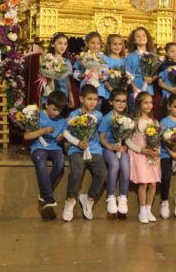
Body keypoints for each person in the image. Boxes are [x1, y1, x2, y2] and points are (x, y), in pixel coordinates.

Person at [62, 85, 106, 221]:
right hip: (76, 149)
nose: (93, 102)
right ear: (81, 99)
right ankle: (70, 201)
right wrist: (77, 143)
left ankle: (89, 199)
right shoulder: (74, 115)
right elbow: (65, 132)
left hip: (94, 149)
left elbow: (100, 133)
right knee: (77, 171)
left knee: (102, 173)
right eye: (89, 99)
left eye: (95, 99)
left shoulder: (98, 115)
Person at [23, 91, 68, 219]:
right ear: (46, 104)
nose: (56, 113)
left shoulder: (62, 120)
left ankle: (44, 194)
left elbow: (64, 139)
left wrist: (62, 138)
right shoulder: (36, 115)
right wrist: (43, 130)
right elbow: (27, 136)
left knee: (60, 163)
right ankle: (48, 197)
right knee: (41, 162)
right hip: (38, 147)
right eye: (54, 109)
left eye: (59, 111)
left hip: (55, 148)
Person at [127, 92, 161, 223]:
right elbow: (128, 141)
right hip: (140, 155)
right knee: (144, 183)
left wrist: (156, 150)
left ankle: (148, 209)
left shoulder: (155, 122)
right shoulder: (134, 122)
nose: (149, 105)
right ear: (139, 104)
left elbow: (157, 140)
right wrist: (141, 150)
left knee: (153, 184)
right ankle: (142, 211)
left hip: (151, 155)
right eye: (145, 103)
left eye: (151, 103)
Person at [97, 88, 131, 219]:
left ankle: (123, 197)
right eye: (118, 101)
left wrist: (125, 148)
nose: (121, 104)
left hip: (121, 149)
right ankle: (111, 197)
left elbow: (128, 138)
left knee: (125, 165)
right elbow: (102, 137)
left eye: (124, 101)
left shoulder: (127, 119)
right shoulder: (107, 118)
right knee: (115, 164)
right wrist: (111, 147)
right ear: (111, 102)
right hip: (108, 148)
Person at [73, 31, 109, 112]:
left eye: (98, 43)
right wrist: (81, 75)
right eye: (92, 43)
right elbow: (75, 72)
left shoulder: (103, 57)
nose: (95, 46)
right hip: (85, 87)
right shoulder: (82, 56)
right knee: (84, 112)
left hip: (99, 90)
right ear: (87, 43)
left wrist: (102, 77)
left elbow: (106, 73)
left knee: (96, 112)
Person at [39, 32, 73, 105]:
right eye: (60, 43)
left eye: (65, 44)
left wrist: (70, 95)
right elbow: (41, 74)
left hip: (63, 93)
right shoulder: (47, 59)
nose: (63, 46)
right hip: (49, 92)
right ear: (52, 44)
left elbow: (67, 80)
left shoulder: (67, 61)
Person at [125, 26, 157, 96]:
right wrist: (133, 87)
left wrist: (152, 79)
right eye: (138, 36)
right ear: (134, 40)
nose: (141, 37)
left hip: (148, 88)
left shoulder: (152, 56)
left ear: (147, 39)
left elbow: (156, 73)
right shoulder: (130, 57)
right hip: (135, 87)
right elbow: (127, 73)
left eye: (143, 35)